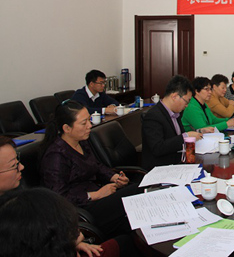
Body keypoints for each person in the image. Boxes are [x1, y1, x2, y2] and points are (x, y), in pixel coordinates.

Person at [0, 138, 137, 257]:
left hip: (63, 244)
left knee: (127, 237)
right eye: (14, 165)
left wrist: (73, 243)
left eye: (18, 161)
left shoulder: (17, 195)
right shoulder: (55, 155)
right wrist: (68, 242)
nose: (21, 167)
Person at [39, 101, 140, 238]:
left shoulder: (81, 141)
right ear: (67, 128)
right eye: (84, 123)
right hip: (82, 210)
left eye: (89, 120)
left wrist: (114, 177)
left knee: (134, 216)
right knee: (136, 191)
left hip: (99, 196)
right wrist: (95, 195)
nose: (90, 125)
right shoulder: (56, 155)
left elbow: (96, 165)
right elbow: (59, 197)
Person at [141, 75, 206, 170]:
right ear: (174, 96)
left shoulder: (176, 113)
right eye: (186, 101)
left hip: (177, 162)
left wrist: (198, 132)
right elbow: (158, 148)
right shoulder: (153, 116)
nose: (187, 105)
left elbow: (177, 138)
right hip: (160, 168)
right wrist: (185, 137)